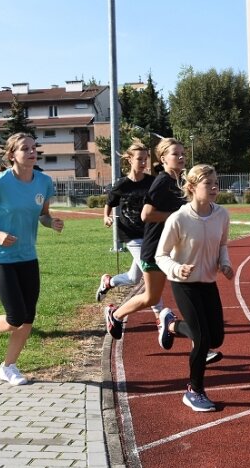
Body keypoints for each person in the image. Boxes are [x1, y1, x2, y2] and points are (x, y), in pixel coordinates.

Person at [0, 132, 64, 386]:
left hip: (27, 255)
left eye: (34, 148)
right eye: (25, 149)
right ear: (12, 155)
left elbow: (43, 215)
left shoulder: (43, 181)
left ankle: (8, 367)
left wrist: (51, 222)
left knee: (28, 317)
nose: (32, 152)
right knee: (15, 316)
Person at [155, 164, 233, 412]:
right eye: (208, 184)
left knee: (216, 338)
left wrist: (225, 264)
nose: (214, 188)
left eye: (216, 183)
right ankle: (194, 390)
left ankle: (170, 324)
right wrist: (177, 269)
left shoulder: (221, 215)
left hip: (208, 282)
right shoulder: (178, 218)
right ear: (191, 187)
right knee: (201, 339)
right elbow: (161, 255)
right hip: (183, 284)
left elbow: (222, 244)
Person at [103, 138, 186, 347]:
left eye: (183, 153)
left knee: (182, 292)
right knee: (151, 296)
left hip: (171, 246)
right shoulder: (162, 181)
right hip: (152, 246)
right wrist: (176, 216)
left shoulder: (178, 181)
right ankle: (124, 315)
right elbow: (146, 214)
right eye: (176, 154)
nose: (182, 157)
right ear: (163, 158)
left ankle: (194, 340)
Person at [95, 141, 164, 321]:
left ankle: (108, 282)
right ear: (130, 160)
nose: (143, 163)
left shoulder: (152, 181)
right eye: (139, 159)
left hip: (148, 233)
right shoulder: (121, 185)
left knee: (134, 278)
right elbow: (109, 204)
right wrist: (106, 217)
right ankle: (161, 316)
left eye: (145, 159)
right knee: (150, 270)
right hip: (130, 235)